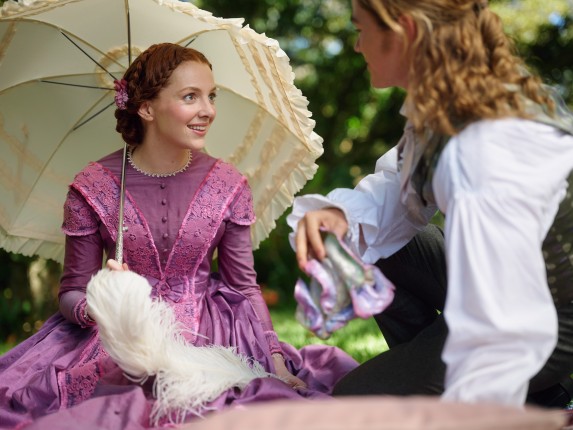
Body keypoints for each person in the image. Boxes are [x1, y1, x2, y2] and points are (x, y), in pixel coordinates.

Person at [0, 43, 357, 429]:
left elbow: (244, 287)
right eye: (191, 97)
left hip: (208, 333)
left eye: (211, 96)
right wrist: (103, 303)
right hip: (116, 336)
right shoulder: (92, 187)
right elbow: (71, 292)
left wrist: (275, 362)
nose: (208, 110)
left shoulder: (229, 184)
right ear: (146, 108)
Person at [288, 0, 573, 408]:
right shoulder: (444, 106)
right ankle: (521, 391)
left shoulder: (478, 141)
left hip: (544, 316)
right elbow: (399, 189)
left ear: (403, 31)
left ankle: (523, 396)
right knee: (376, 241)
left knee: (355, 402)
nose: (357, 45)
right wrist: (339, 216)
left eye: (361, 29)